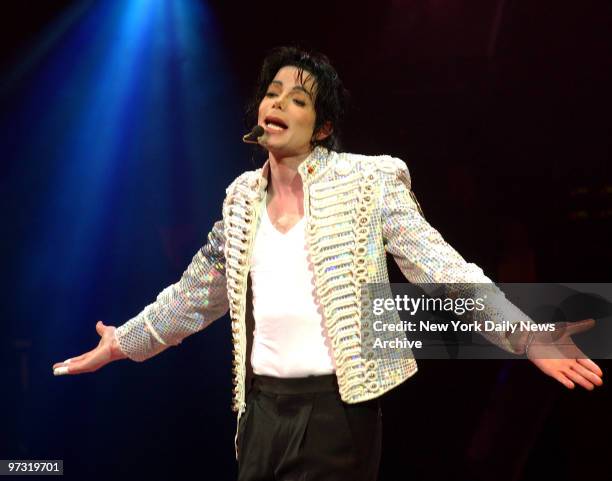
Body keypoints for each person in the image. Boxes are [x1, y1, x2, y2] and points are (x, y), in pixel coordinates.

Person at [52, 46, 604, 481]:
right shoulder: (242, 199)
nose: (277, 104)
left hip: (338, 413)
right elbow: (196, 293)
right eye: (273, 93)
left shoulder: (369, 183)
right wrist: (122, 342)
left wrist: (525, 334)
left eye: (297, 98)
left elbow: (441, 266)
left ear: (320, 127)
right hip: (262, 413)